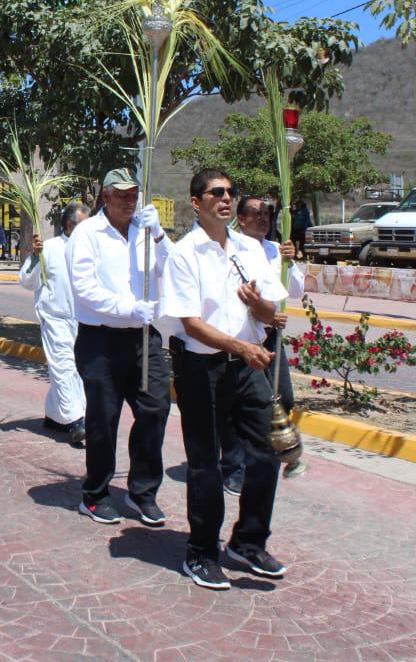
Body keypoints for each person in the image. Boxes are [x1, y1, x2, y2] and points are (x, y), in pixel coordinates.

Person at [160, 168, 290, 590]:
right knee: (206, 464)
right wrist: (243, 347)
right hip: (203, 369)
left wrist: (258, 307)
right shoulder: (185, 253)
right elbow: (191, 324)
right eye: (217, 192)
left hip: (247, 366)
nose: (226, 199)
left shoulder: (250, 248)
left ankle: (248, 541)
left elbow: (272, 313)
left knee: (267, 451)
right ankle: (200, 553)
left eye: (231, 192)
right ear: (196, 202)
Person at [66, 167, 171, 527]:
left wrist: (159, 235)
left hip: (143, 337)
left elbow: (173, 269)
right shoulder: (88, 233)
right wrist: (127, 307)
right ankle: (95, 494)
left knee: (155, 408)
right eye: (123, 194)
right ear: (106, 196)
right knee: (104, 418)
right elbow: (84, 287)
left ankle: (143, 492)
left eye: (134, 194)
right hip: (102, 339)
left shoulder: (145, 230)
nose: (130, 201)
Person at [220, 196, 308, 491]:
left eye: (267, 214)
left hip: (271, 336)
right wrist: (264, 313)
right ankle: (234, 465)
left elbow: (295, 290)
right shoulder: (232, 250)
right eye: (256, 214)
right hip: (244, 336)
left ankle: (261, 454)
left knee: (283, 397)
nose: (262, 219)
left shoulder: (274, 250)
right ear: (241, 219)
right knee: (241, 403)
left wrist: (290, 262)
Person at [19, 202, 90, 447]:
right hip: (55, 319)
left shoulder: (90, 249)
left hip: (83, 321)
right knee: (63, 368)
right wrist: (34, 256)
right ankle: (76, 421)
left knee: (78, 369)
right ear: (70, 225)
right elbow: (26, 281)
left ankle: (54, 415)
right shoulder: (48, 248)